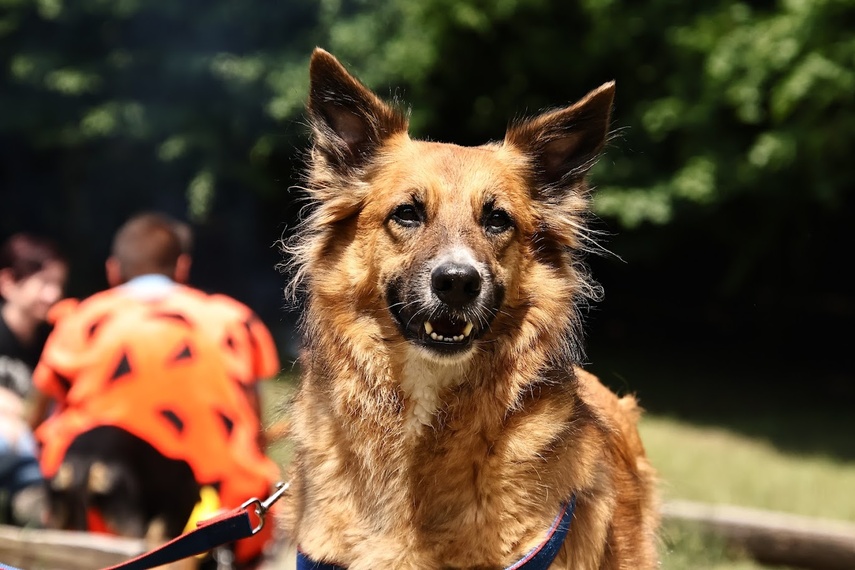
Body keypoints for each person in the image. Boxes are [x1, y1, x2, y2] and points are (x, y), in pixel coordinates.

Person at [31, 213, 280, 564]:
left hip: (90, 518)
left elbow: (40, 422)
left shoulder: (83, 321)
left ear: (113, 270)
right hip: (216, 521)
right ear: (182, 267)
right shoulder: (233, 322)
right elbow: (255, 431)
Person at [0, 233, 68, 526]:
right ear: (8, 283)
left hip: (34, 454)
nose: (53, 295)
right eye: (43, 283)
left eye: (58, 285)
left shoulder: (54, 341)